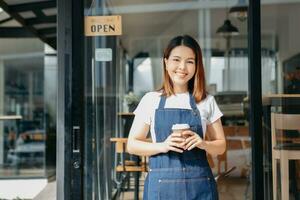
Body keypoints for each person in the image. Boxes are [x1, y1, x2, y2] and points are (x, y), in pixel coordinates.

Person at [127, 35, 226, 200]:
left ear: (196, 66)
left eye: (190, 61)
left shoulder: (207, 101)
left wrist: (203, 143)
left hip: (199, 187)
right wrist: (163, 146)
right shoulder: (151, 100)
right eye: (176, 60)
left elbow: (221, 146)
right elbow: (132, 144)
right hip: (160, 190)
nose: (182, 67)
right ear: (166, 62)